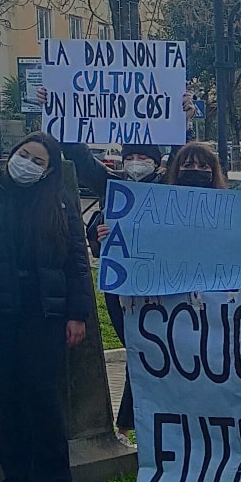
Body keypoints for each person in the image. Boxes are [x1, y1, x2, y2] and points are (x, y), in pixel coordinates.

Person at [0, 133, 96, 482]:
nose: (27, 164)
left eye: (38, 161)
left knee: (45, 396)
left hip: (45, 316)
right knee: (11, 398)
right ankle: (14, 480)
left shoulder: (61, 205)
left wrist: (77, 314)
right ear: (10, 154)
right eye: (24, 155)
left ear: (49, 170)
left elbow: (77, 264)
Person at [84, 143, 164, 432]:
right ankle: (131, 425)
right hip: (122, 288)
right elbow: (82, 160)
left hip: (162, 286)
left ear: (157, 163)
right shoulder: (112, 189)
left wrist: (184, 122)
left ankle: (131, 424)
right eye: (129, 157)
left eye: (143, 157)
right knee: (137, 349)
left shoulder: (170, 186)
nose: (135, 162)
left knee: (150, 352)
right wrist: (98, 233)